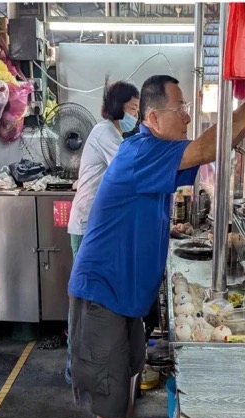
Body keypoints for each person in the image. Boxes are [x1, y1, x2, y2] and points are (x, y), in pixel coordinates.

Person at [68, 74, 245, 418]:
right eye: (181, 107)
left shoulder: (155, 151)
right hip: (103, 286)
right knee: (109, 377)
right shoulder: (140, 152)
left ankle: (129, 417)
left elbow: (207, 151)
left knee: (131, 360)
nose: (187, 115)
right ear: (153, 116)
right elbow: (207, 146)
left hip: (129, 288)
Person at [64, 81, 140, 385]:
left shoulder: (115, 133)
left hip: (96, 225)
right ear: (119, 106)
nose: (136, 113)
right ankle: (74, 364)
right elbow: (130, 171)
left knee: (92, 297)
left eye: (137, 108)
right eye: (133, 108)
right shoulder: (105, 132)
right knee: (83, 297)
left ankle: (88, 362)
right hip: (85, 226)